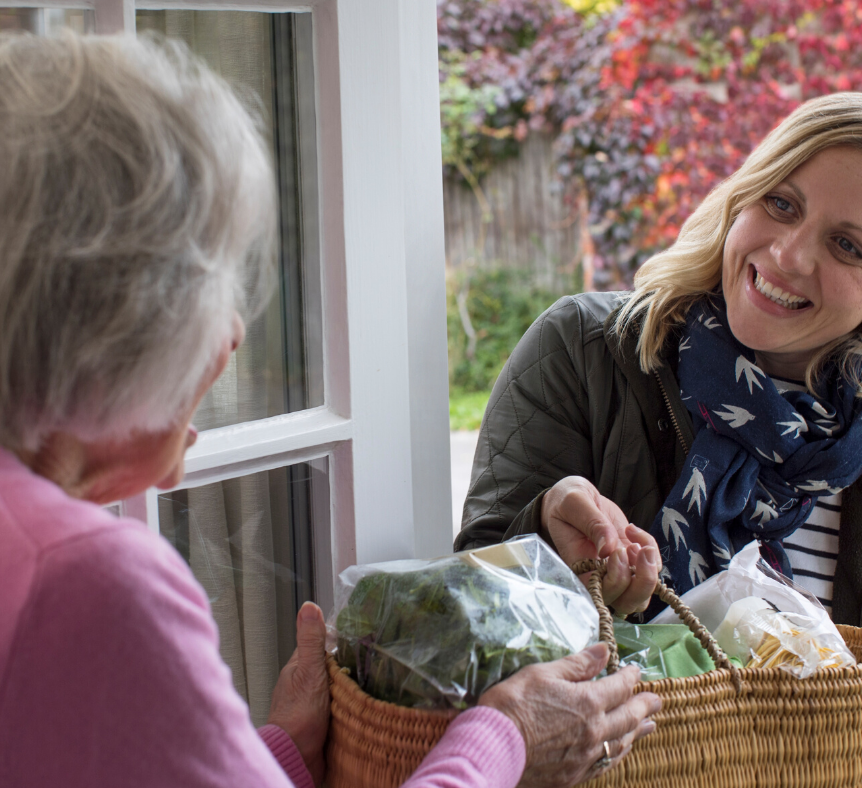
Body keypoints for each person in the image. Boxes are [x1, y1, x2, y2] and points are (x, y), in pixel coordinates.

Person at [0, 32, 661, 788]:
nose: (237, 333)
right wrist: (504, 740)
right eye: (218, 277)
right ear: (116, 317)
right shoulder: (88, 582)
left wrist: (278, 752)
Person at [456, 92, 862, 784]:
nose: (789, 253)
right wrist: (549, 544)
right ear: (743, 196)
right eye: (780, 203)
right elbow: (468, 628)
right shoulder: (583, 354)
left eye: (848, 245)